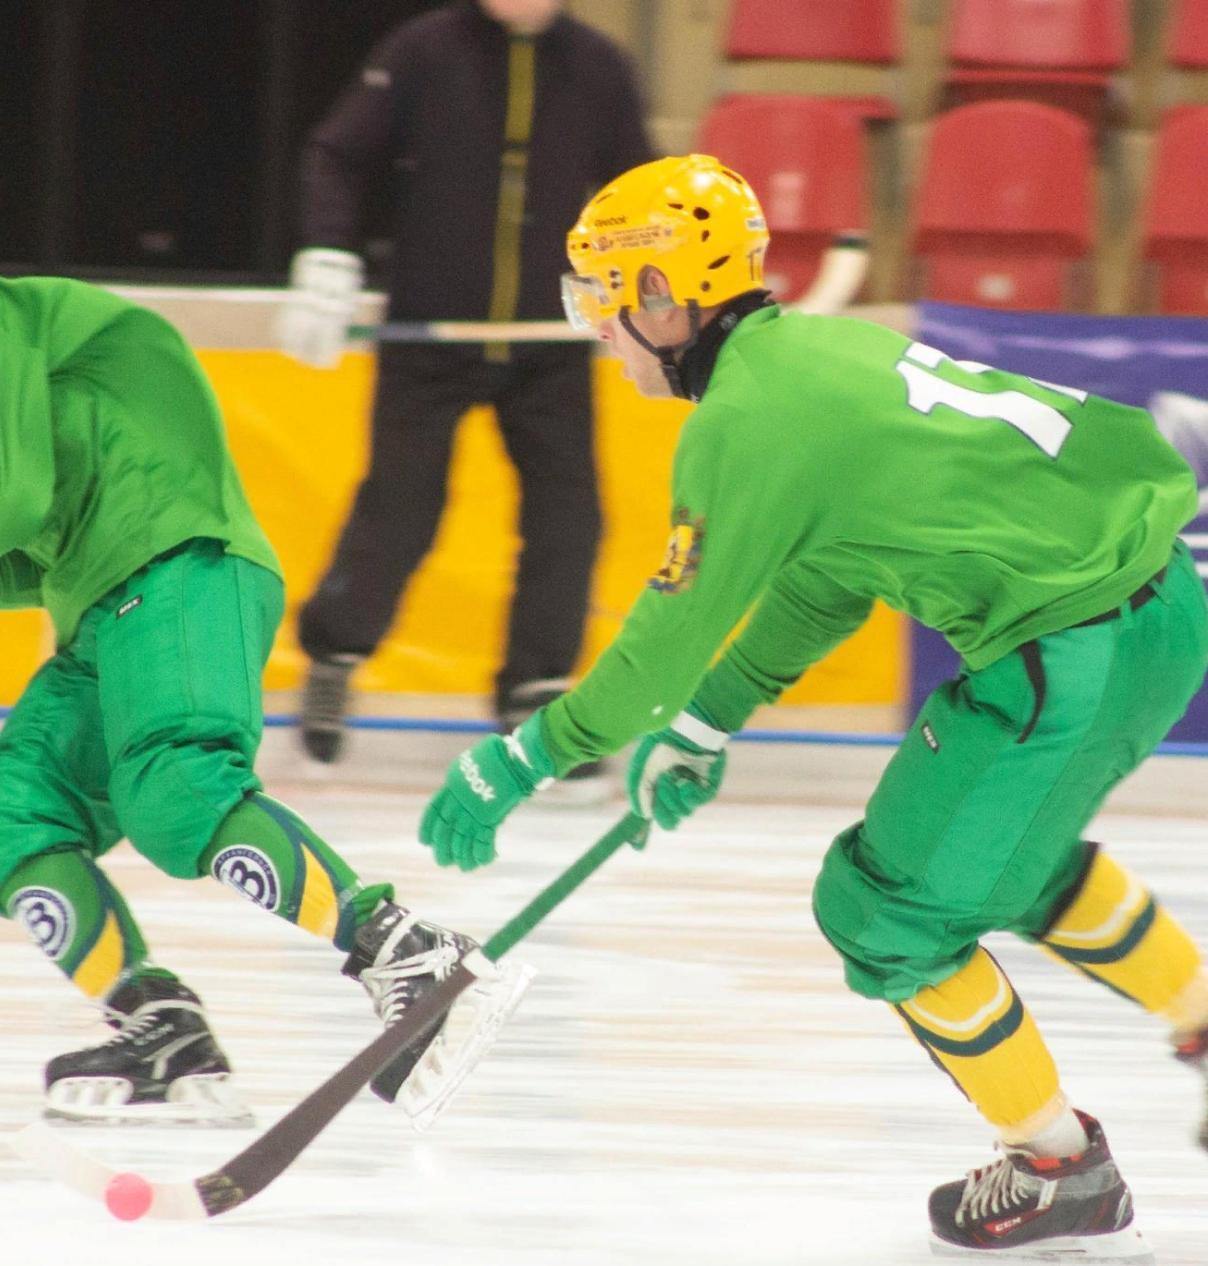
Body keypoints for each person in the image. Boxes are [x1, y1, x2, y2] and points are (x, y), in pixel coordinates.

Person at [417, 154, 1208, 1258]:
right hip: (1159, 611)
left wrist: (522, 757)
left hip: (1061, 657)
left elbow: (654, 651)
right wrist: (707, 722)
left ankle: (1058, 1170)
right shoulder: (822, 351)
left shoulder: (740, 419)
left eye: (600, 293)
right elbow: (833, 570)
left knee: (882, 913)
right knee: (1003, 860)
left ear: (662, 294)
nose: (592, 322)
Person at [0, 114, 528, 1129]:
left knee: (174, 794)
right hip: (107, 600)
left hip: (176, 571)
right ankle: (160, 1027)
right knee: (7, 821)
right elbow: (22, 559)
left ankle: (403, 950)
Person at [278, 0, 654, 774]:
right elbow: (337, 154)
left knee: (569, 515)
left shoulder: (597, 68)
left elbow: (643, 192)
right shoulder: (422, 50)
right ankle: (336, 653)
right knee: (402, 510)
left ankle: (538, 691)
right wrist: (326, 250)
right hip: (430, 331)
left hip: (548, 340)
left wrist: (648, 286)